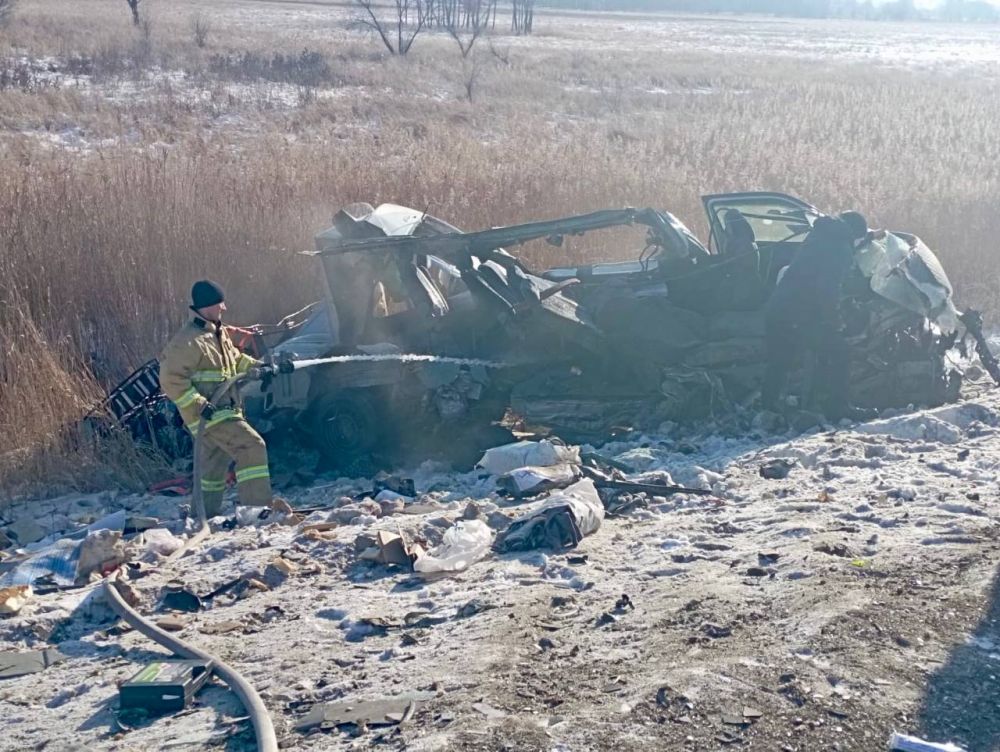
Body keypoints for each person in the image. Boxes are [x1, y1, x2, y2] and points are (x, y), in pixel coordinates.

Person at [159, 280, 294, 518]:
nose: (224, 308)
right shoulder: (187, 342)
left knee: (212, 468)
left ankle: (202, 515)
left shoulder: (216, 334)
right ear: (207, 305)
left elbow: (236, 361)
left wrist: (263, 368)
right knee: (251, 446)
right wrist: (200, 405)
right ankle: (256, 512)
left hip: (222, 412)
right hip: (210, 415)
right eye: (220, 304)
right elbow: (171, 380)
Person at [761, 214, 865, 419]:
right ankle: (837, 407)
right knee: (840, 351)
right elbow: (827, 289)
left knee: (779, 361)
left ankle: (768, 409)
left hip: (778, 308)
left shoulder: (819, 237)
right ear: (855, 233)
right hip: (800, 314)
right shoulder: (840, 247)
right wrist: (835, 320)